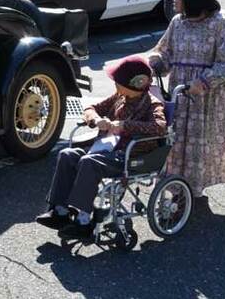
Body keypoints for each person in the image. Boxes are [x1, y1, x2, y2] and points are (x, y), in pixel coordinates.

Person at [37, 55, 166, 239]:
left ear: (134, 84)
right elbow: (91, 108)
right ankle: (60, 211)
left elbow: (160, 127)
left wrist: (123, 125)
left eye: (118, 82)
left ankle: (83, 220)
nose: (115, 85)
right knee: (67, 154)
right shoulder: (120, 97)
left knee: (89, 162)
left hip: (129, 155)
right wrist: (96, 120)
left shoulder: (152, 104)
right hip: (105, 147)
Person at [148, 0, 225, 199]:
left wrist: (201, 82)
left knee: (198, 143)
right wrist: (154, 64)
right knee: (174, 137)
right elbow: (165, 53)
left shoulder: (219, 26)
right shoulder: (177, 22)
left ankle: (192, 188)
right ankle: (173, 182)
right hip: (179, 91)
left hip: (206, 95)